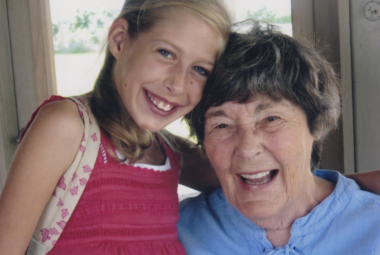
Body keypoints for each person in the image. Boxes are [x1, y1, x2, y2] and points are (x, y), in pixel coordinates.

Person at [0, 0, 231, 254]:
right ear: (120, 40)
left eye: (199, 69)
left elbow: (245, 172)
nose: (178, 84)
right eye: (166, 53)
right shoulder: (66, 127)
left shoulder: (172, 152)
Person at [178, 23, 380, 255]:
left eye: (271, 119)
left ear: (317, 123)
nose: (247, 149)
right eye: (222, 125)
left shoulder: (374, 228)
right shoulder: (177, 231)